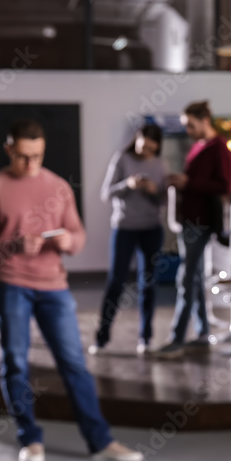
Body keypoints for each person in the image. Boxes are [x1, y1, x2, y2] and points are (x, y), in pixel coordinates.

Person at [0, 119, 143, 461]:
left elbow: (79, 237)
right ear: (8, 150)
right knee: (16, 364)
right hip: (11, 284)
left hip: (54, 286)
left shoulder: (59, 187)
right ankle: (30, 440)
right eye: (22, 157)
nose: (31, 164)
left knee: (74, 365)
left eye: (37, 156)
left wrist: (68, 241)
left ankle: (100, 441)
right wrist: (16, 244)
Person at [155, 100, 231, 359]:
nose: (187, 130)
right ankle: (202, 332)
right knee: (195, 277)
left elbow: (224, 185)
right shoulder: (198, 146)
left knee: (186, 278)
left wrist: (189, 182)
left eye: (190, 124)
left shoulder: (218, 148)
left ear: (204, 121)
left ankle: (177, 338)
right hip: (189, 219)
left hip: (201, 222)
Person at [89, 124, 168, 355]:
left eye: (151, 147)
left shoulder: (161, 164)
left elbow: (163, 202)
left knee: (149, 284)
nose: (146, 150)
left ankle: (146, 338)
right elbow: (106, 194)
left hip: (152, 229)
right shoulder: (122, 158)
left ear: (158, 146)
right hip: (124, 228)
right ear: (137, 139)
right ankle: (101, 339)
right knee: (116, 282)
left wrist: (154, 191)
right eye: (143, 145)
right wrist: (128, 184)